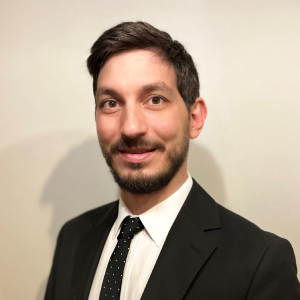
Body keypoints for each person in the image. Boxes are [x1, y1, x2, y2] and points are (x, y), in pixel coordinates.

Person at [44, 21, 300, 300]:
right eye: (111, 103)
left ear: (194, 118)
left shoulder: (260, 262)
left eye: (154, 99)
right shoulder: (73, 237)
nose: (131, 127)